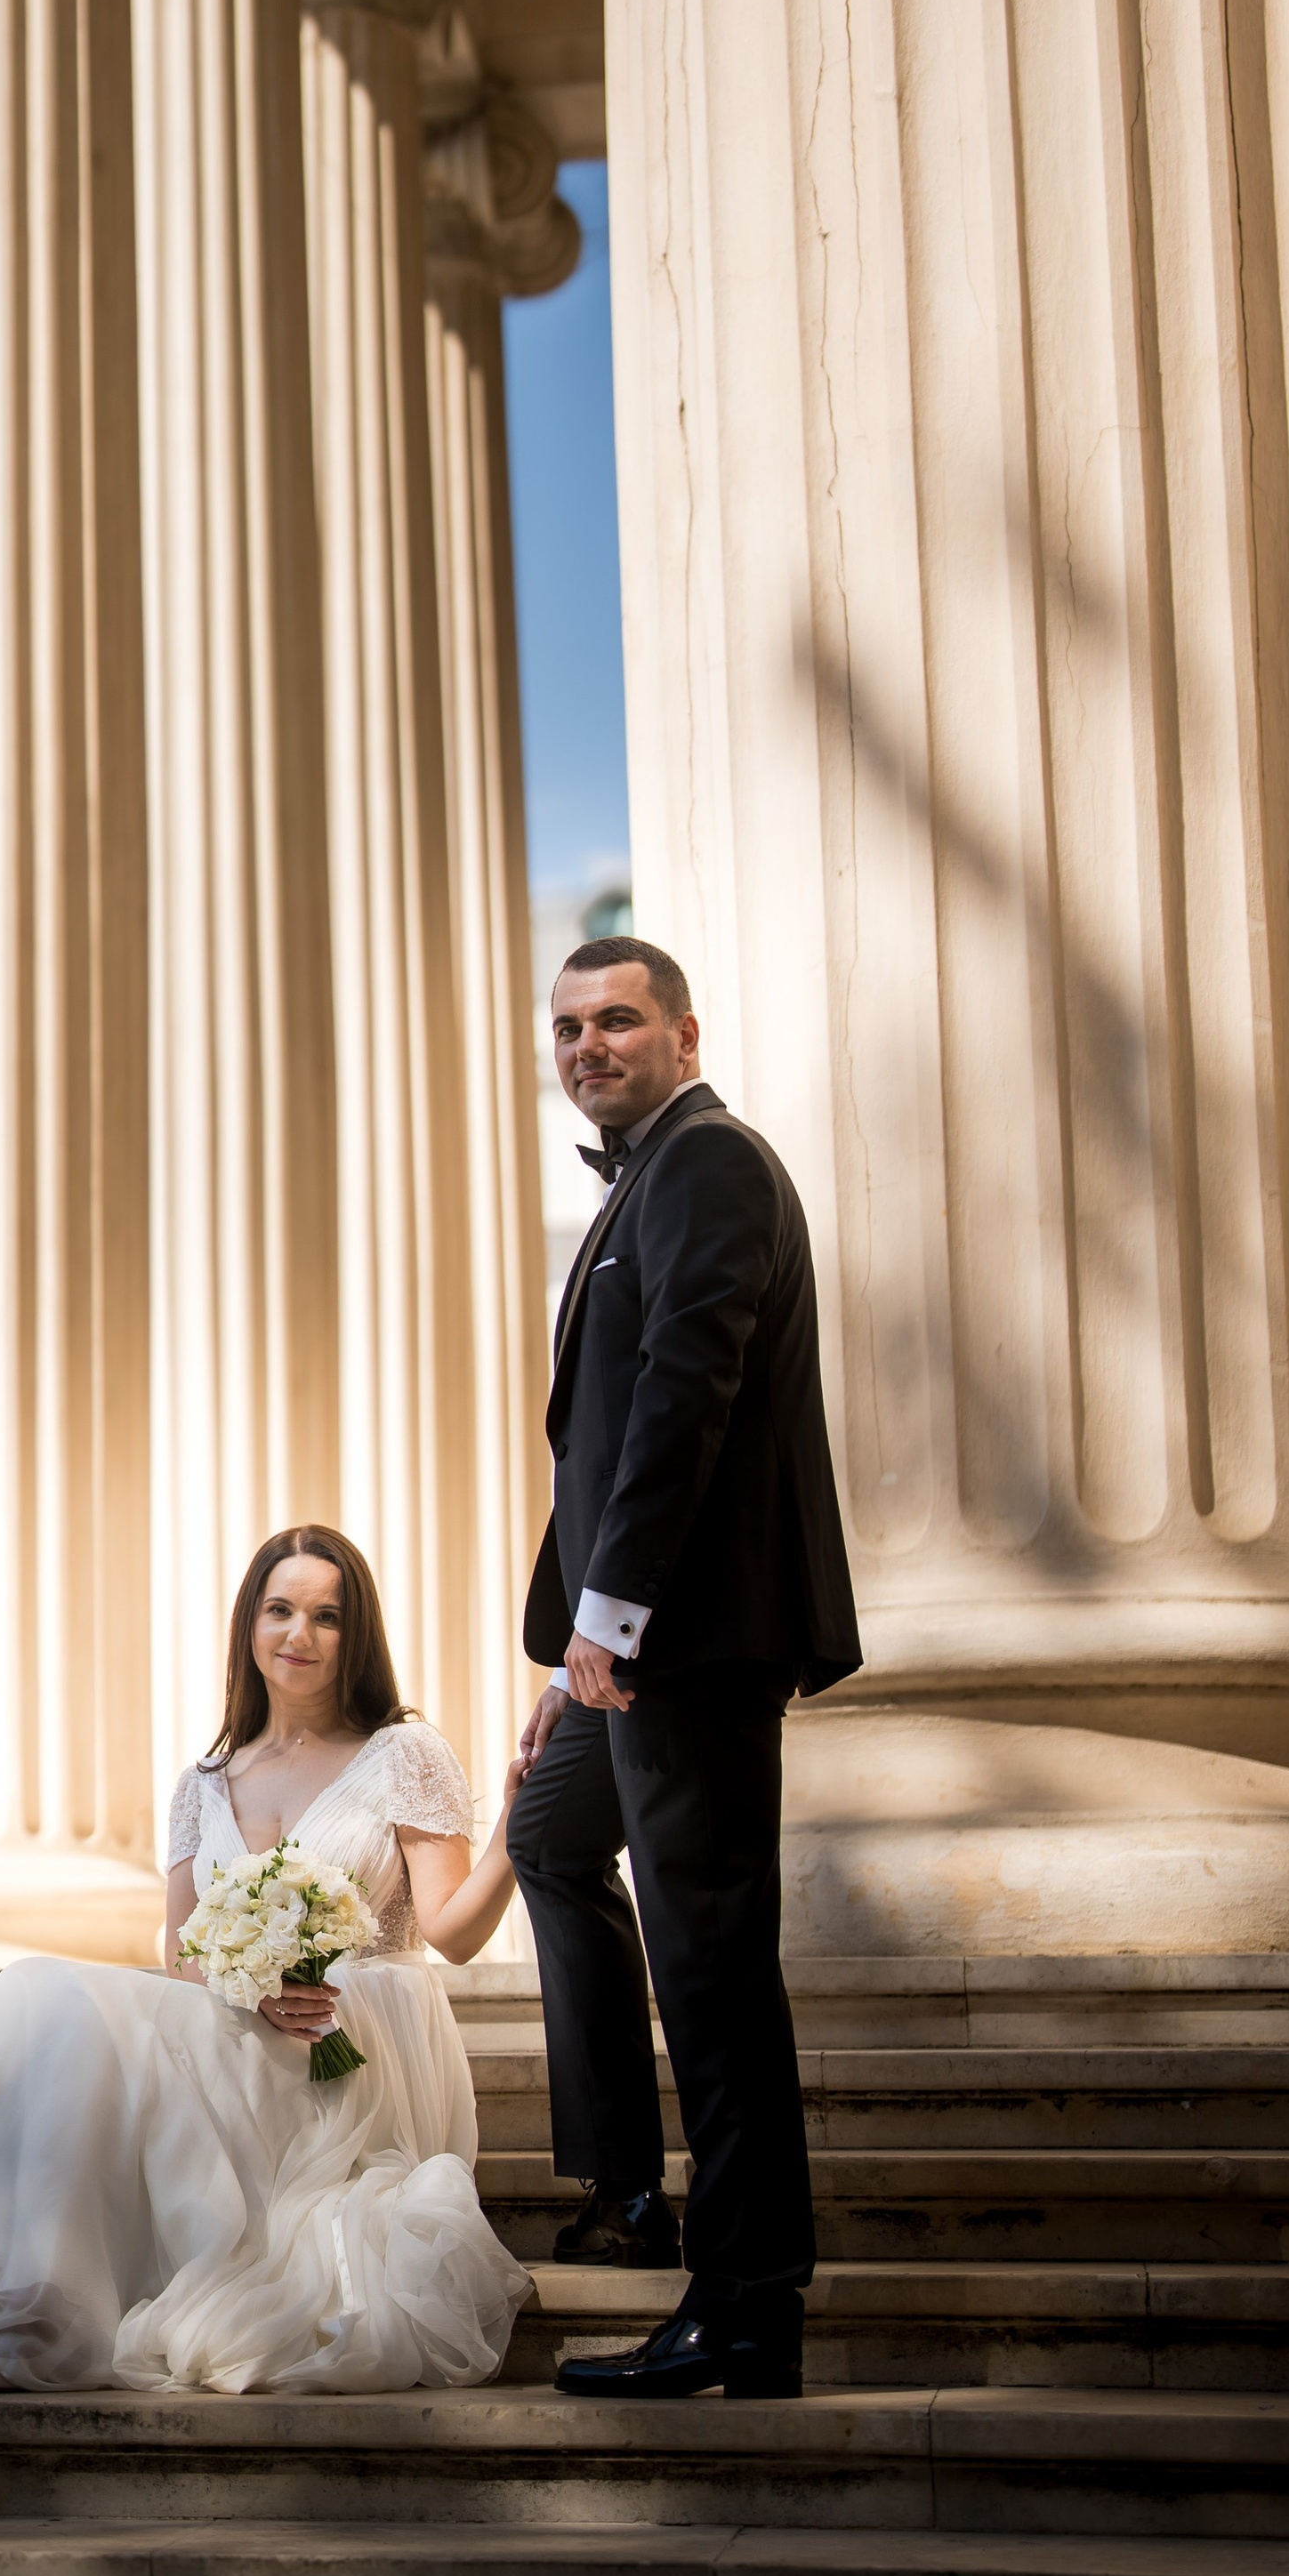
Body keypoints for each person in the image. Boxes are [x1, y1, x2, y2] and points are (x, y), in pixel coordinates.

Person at [0, 1525, 533, 2394]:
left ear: (355, 1634)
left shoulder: (403, 1754)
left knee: (82, 2019)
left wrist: (520, 1824)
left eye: (327, 1616)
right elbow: (182, 1953)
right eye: (280, 1609)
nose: (300, 1634)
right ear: (249, 1625)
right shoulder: (206, 1779)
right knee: (35, 1990)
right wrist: (252, 1989)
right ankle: (31, 2307)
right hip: (236, 2019)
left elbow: (452, 1931)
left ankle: (43, 2312)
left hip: (355, 2041)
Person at [508, 936, 860, 2401]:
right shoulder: (639, 1182)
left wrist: (618, 1613)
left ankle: (746, 2300)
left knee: (714, 1971)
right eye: (571, 1024)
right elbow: (598, 1441)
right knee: (547, 1831)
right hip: (632, 1645)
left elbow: (685, 1395)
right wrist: (568, 1650)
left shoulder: (710, 1160)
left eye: (620, 1018)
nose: (591, 1042)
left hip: (694, 1641)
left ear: (684, 1032)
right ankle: (625, 2181)